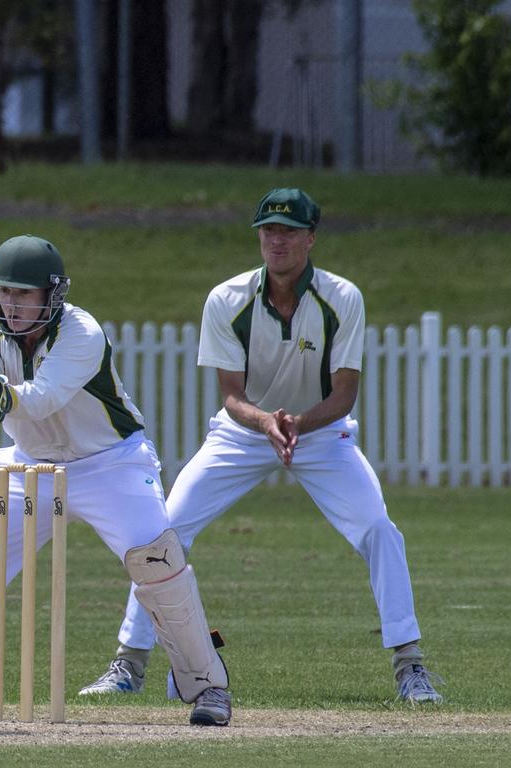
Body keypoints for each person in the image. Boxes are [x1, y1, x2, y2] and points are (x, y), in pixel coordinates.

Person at [80, 188, 443, 705]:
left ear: (311, 238)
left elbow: (343, 394)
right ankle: (129, 662)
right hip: (244, 432)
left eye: (289, 231)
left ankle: (410, 664)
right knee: (164, 531)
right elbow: (231, 396)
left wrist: (297, 423)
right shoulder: (226, 299)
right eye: (269, 230)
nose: (277, 240)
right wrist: (268, 423)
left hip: (321, 433)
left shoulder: (343, 298)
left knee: (379, 529)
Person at [0, 234, 233, 726]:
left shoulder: (82, 332)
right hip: (28, 468)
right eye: (3, 292)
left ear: (52, 294)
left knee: (157, 560)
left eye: (23, 293)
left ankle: (208, 686)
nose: (11, 304)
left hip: (111, 464)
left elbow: (40, 399)